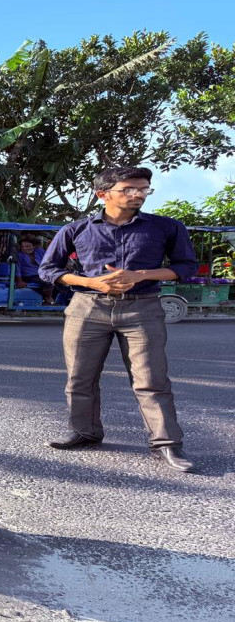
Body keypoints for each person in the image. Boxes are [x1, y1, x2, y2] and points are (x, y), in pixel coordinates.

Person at [38, 167, 198, 472]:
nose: (137, 194)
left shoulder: (166, 228)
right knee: (80, 377)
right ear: (103, 194)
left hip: (142, 308)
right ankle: (84, 431)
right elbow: (49, 270)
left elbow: (186, 266)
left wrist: (141, 275)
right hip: (87, 307)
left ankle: (166, 444)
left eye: (144, 189)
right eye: (128, 189)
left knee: (151, 379)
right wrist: (92, 283)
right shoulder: (76, 230)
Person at [14, 236, 55, 304]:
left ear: (34, 246)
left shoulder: (40, 251)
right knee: (48, 282)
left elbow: (48, 260)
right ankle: (48, 297)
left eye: (28, 246)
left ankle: (59, 299)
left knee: (58, 280)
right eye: (22, 247)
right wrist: (19, 281)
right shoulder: (20, 255)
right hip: (28, 276)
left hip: (41, 274)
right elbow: (18, 268)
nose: (25, 248)